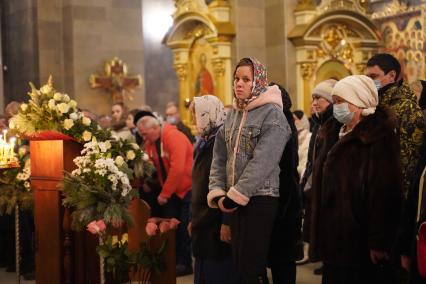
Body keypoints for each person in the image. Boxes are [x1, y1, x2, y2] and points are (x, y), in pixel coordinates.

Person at [311, 75, 402, 284]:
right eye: (334, 102)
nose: (336, 108)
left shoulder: (378, 137)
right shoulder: (333, 133)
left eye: (341, 102)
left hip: (359, 238)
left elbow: (385, 192)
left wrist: (379, 240)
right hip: (334, 237)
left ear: (358, 103)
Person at [207, 58, 291, 283]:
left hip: (260, 197)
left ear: (259, 82)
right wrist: (217, 190)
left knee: (251, 265)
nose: (239, 84)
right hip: (234, 197)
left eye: (246, 79)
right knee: (239, 263)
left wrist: (236, 194)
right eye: (236, 79)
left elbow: (264, 160)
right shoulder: (233, 114)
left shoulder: (272, 114)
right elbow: (219, 157)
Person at [137, 115, 193, 276]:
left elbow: (178, 169)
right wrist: (147, 181)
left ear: (155, 128)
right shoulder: (152, 141)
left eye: (144, 134)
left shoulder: (173, 137)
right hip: (171, 191)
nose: (143, 138)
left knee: (182, 228)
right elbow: (152, 163)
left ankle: (185, 263)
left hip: (186, 189)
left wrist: (165, 193)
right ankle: (172, 261)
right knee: (169, 227)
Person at [188, 95, 235, 284]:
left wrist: (227, 221)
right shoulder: (205, 140)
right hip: (203, 217)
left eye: (195, 115)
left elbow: (229, 182)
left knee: (218, 272)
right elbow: (199, 183)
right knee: (203, 270)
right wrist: (193, 217)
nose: (193, 120)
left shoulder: (222, 141)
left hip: (216, 219)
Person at [366, 53, 426, 199]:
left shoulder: (407, 108)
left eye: (373, 77)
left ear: (391, 75)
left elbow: (409, 161)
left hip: (394, 196)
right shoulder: (374, 105)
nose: (369, 82)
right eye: (367, 78)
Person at [300, 79, 337, 272]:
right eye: (313, 98)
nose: (314, 103)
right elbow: (311, 160)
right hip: (315, 187)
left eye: (318, 98)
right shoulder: (318, 125)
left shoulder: (333, 125)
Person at [268, 83, 303, 284]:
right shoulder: (282, 120)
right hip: (282, 202)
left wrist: (279, 210)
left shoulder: (281, 124)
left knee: (283, 264)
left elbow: (287, 169)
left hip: (284, 204)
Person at [293, 110, 312, 179]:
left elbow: (306, 163)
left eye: (294, 119)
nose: (292, 122)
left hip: (302, 177)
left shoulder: (309, 137)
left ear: (302, 121)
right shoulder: (292, 138)